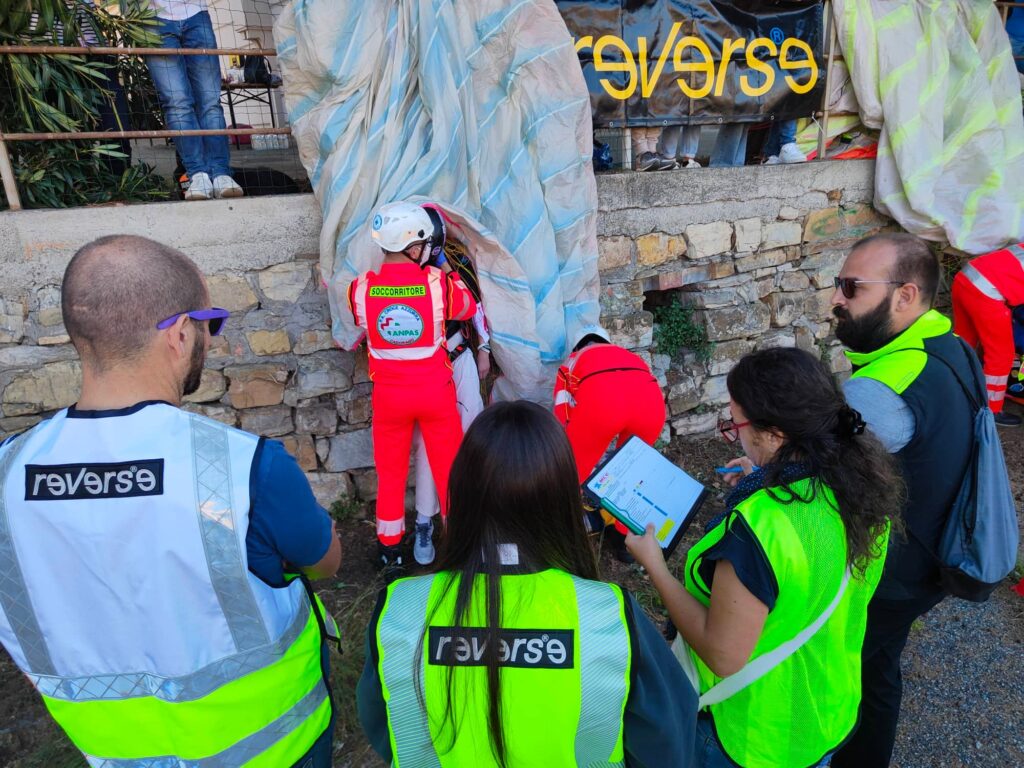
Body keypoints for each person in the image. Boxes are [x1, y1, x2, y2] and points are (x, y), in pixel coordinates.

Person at [0, 235, 341, 766]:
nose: (212, 340)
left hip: (114, 754)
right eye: (210, 324)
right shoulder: (244, 468)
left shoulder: (8, 473)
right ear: (180, 334)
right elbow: (324, 563)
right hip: (275, 748)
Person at [357, 400, 698, 767]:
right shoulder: (611, 617)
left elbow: (384, 727)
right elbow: (667, 740)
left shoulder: (399, 612)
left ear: (462, 492)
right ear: (561, 499)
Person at [627, 347, 899, 768]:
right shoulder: (861, 489)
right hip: (827, 709)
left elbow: (723, 655)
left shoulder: (758, 531)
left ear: (775, 435)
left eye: (735, 424)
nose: (734, 433)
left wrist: (655, 567)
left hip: (754, 736)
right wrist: (765, 477)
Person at [829, 233, 978, 768]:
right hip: (937, 545)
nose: (836, 299)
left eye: (852, 287)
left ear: (905, 295)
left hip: (889, 571)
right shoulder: (947, 343)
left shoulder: (881, 388)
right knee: (878, 665)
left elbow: (817, 478)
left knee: (847, 673)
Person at [348, 200, 476, 572]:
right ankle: (459, 546)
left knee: (390, 476)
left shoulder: (360, 289)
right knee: (449, 471)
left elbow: (359, 320)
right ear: (415, 246)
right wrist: (445, 268)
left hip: (390, 399)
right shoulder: (438, 284)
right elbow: (467, 307)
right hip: (435, 394)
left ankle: (390, 552)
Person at [411, 214, 491, 565]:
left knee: (472, 435)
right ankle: (424, 521)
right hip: (424, 371)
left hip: (459, 359)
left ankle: (475, 515)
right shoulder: (400, 275)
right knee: (428, 445)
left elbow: (475, 306)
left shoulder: (454, 263)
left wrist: (484, 348)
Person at [553, 326, 666, 559]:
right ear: (607, 342)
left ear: (577, 346)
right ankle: (626, 541)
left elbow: (562, 409)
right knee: (633, 473)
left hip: (603, 406)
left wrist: (568, 443)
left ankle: (563, 534)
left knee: (571, 472)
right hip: (651, 406)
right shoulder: (629, 356)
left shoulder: (572, 361)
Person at [145, 1, 243, 201]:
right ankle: (197, 175)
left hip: (196, 12)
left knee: (210, 101)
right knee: (177, 102)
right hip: (152, 17)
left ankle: (221, 174)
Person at [949, 242, 1024, 426]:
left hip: (966, 277)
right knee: (1001, 354)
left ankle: (951, 392)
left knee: (963, 343)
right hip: (988, 292)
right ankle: (991, 410)